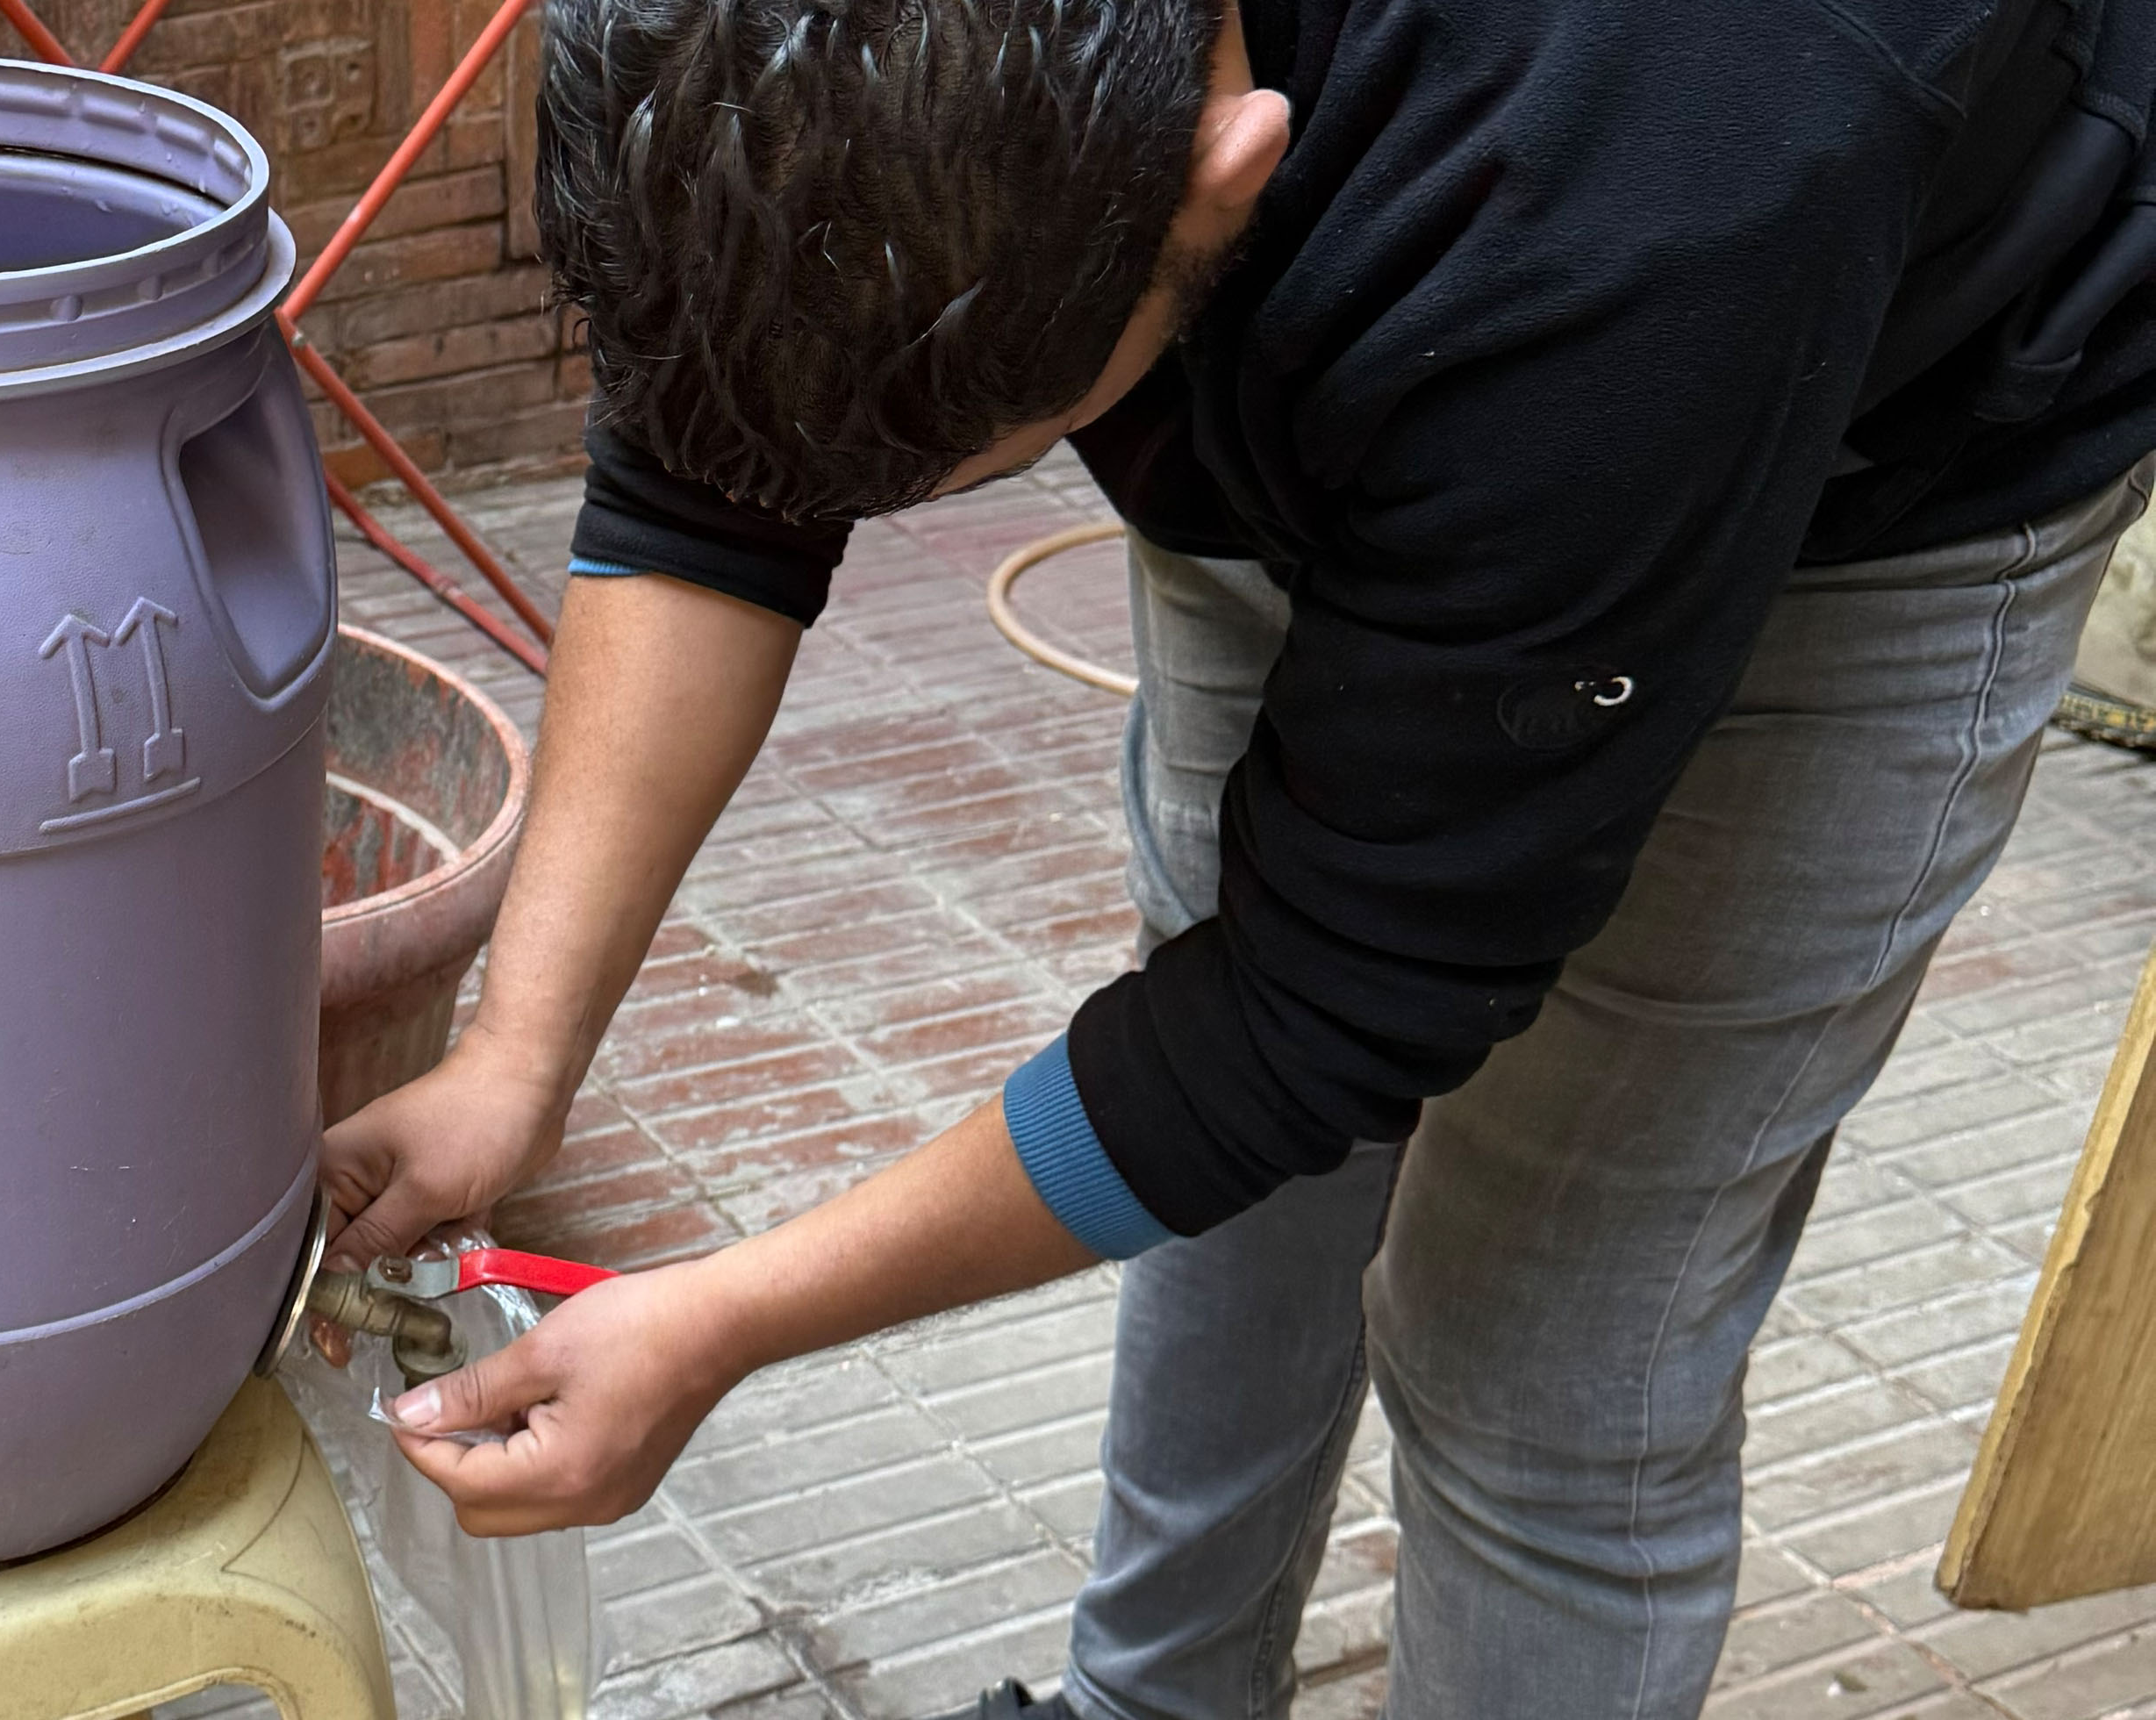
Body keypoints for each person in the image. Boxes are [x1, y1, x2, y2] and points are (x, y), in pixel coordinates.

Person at [316, 0, 2156, 1711]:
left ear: (1221, 170)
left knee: (1538, 1353)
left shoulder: (1652, 193)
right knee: (1230, 1151)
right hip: (1429, 327)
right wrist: (517, 1053)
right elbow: (711, 471)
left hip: (1879, 460)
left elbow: (1320, 1007)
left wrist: (721, 1319)